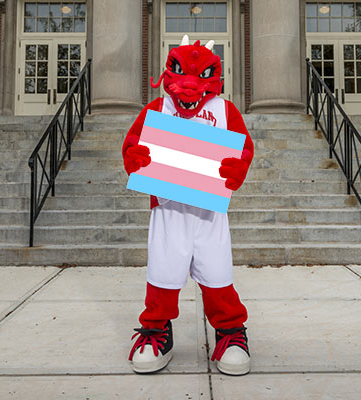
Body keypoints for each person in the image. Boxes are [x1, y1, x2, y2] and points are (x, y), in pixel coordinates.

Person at [121, 35, 254, 376]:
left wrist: (235, 169)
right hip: (168, 208)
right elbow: (133, 143)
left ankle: (230, 332)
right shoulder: (156, 109)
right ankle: (156, 330)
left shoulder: (224, 111)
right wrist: (136, 159)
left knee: (217, 273)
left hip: (209, 211)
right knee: (163, 271)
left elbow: (243, 149)